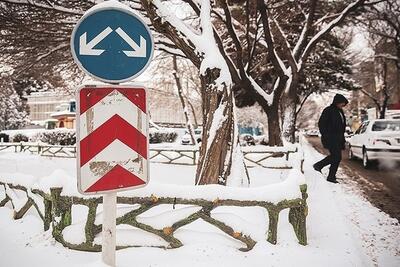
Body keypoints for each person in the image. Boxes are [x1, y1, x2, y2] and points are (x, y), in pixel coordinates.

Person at [313, 93, 349, 183]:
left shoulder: (340, 112)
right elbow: (321, 124)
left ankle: (331, 176)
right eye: (342, 103)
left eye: (344, 104)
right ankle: (318, 166)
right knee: (336, 156)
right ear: (337, 102)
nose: (343, 105)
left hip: (339, 138)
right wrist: (326, 135)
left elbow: (341, 126)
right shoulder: (328, 110)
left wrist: (342, 139)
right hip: (331, 138)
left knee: (336, 157)